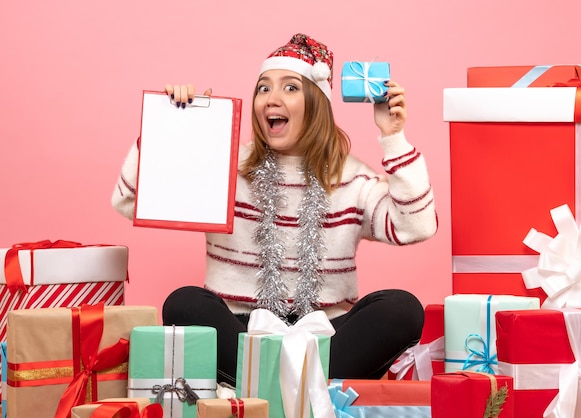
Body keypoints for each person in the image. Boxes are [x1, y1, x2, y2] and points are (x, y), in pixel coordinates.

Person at [112, 33, 437, 386]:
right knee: (184, 303)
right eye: (263, 88)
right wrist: (173, 127)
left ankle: (271, 385)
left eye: (290, 88)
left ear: (317, 104)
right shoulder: (225, 167)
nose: (272, 99)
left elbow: (416, 226)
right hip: (243, 332)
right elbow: (128, 200)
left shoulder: (352, 177)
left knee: (402, 309)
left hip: (326, 337)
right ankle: (302, 387)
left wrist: (393, 137)